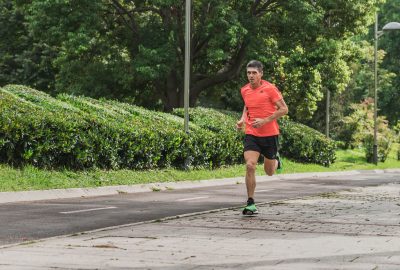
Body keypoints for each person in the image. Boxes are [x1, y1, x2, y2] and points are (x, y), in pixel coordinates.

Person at [236, 60, 288, 215]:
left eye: (254, 73)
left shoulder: (270, 89)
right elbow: (247, 106)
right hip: (252, 133)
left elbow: (284, 109)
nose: (251, 76)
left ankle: (276, 159)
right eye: (248, 73)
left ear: (261, 74)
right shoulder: (244, 90)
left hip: (270, 134)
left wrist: (265, 120)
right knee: (250, 165)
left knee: (269, 171)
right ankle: (250, 202)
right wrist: (242, 119)